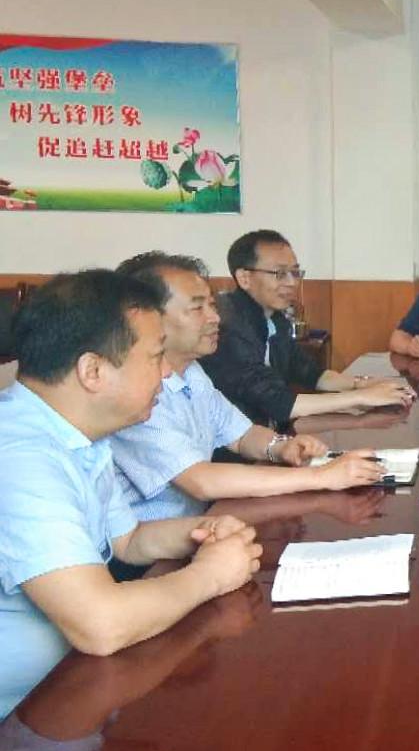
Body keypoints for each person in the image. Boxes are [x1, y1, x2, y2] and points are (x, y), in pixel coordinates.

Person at [0, 271, 261, 717]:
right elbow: (100, 624)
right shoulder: (22, 457)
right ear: (93, 371)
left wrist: (202, 530)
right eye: (156, 357)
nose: (166, 372)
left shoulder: (79, 434)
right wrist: (212, 575)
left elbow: (128, 540)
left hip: (76, 689)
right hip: (26, 721)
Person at [109, 252, 388, 523]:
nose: (214, 318)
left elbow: (241, 435)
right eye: (197, 308)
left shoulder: (192, 372)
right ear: (147, 318)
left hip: (202, 525)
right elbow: (201, 481)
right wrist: (322, 477)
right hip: (155, 546)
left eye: (212, 306)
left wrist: (282, 447)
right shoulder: (136, 394)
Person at [201, 229, 414, 426]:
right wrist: (361, 397)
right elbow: (279, 402)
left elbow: (311, 373)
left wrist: (364, 384)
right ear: (245, 278)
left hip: (268, 437)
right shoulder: (227, 327)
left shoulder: (275, 319)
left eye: (295, 273)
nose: (292, 283)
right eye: (280, 273)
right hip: (235, 448)